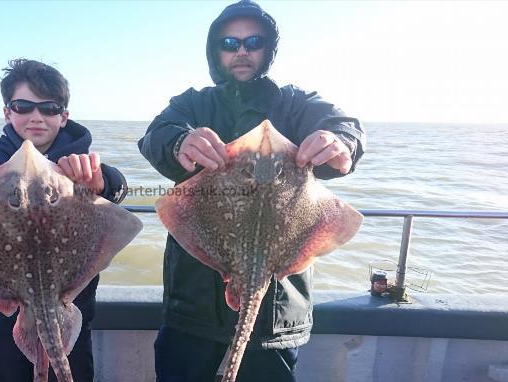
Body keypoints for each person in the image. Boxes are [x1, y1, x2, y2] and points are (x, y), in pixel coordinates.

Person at [137, 1, 365, 381]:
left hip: (275, 310)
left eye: (253, 42)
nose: (241, 51)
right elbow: (155, 135)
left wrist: (341, 142)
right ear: (215, 50)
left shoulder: (295, 104)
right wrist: (180, 143)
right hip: (192, 303)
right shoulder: (193, 104)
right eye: (229, 42)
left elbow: (344, 125)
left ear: (267, 49)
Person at [0, 58, 127, 382]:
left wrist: (100, 183)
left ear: (64, 116)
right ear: (8, 112)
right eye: (24, 106)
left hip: (67, 311)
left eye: (49, 108)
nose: (36, 116)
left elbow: (115, 184)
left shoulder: (80, 165)